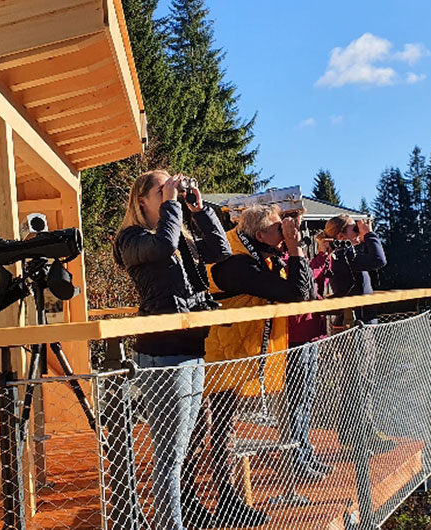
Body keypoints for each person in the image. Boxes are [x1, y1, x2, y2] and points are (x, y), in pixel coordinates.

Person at [114, 170, 231, 530]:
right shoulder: (130, 239)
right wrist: (172, 207)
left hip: (192, 347)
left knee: (180, 452)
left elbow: (221, 252)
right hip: (163, 353)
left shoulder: (178, 230)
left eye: (173, 188)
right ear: (142, 200)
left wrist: (199, 210)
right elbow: (162, 247)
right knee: (170, 456)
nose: (172, 194)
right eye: (162, 190)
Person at [204, 204, 315, 526]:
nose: (284, 236)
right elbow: (295, 294)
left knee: (221, 428)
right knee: (212, 430)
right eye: (279, 230)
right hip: (217, 353)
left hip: (233, 351)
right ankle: (215, 500)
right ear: (260, 234)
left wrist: (292, 249)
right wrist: (294, 249)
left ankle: (225, 500)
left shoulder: (257, 255)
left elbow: (304, 292)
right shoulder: (236, 263)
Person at [320, 214, 394, 455]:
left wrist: (361, 237)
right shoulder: (342, 255)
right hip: (356, 324)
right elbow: (379, 259)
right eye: (354, 227)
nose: (358, 230)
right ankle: (358, 435)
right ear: (341, 235)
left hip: (360, 321)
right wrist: (369, 233)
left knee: (361, 380)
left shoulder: (345, 254)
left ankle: (361, 432)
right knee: (359, 381)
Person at [283, 234, 336, 481]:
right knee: (296, 402)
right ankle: (296, 459)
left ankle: (305, 451)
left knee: (307, 397)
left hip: (310, 333)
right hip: (295, 337)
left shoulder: (298, 258)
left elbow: (314, 282)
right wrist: (315, 259)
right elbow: (304, 287)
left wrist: (324, 257)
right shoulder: (284, 259)